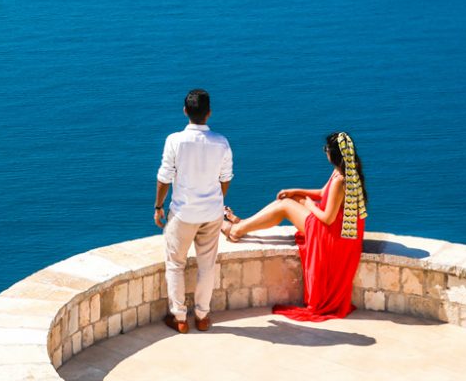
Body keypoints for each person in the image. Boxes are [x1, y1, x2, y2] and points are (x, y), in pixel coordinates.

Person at [222, 131, 369, 322]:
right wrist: (296, 191)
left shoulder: (341, 179)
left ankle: (236, 230)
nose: (325, 152)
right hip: (340, 232)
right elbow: (324, 193)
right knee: (291, 200)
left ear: (334, 154)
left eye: (326, 149)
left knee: (284, 206)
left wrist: (308, 205)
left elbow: (327, 218)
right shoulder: (347, 169)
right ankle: (243, 224)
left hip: (331, 235)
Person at [155, 88, 234, 333]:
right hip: (212, 213)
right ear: (208, 113)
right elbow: (226, 177)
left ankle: (179, 318)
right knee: (207, 265)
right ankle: (202, 316)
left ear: (185, 111)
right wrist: (217, 201)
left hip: (183, 214)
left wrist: (158, 206)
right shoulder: (221, 142)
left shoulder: (174, 141)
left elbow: (165, 178)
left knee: (175, 264)